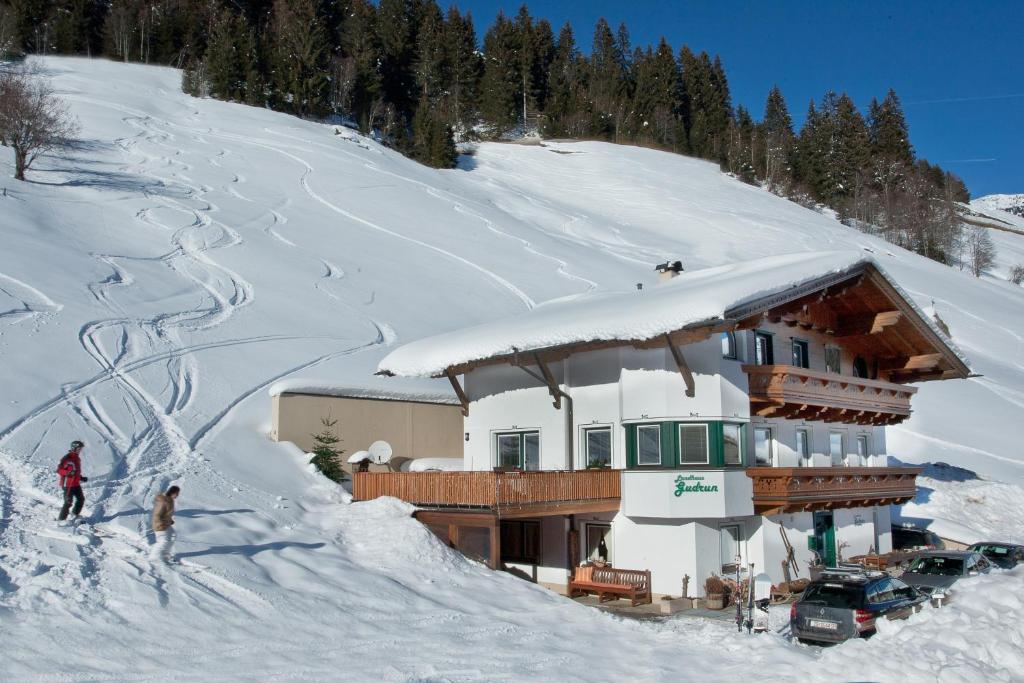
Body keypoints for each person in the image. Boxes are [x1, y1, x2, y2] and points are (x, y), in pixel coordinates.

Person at [57, 440, 88, 523]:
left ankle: (74, 514)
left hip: (75, 484)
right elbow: (59, 470)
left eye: (80, 449)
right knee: (68, 502)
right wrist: (68, 473)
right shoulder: (67, 458)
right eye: (79, 449)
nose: (80, 450)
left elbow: (75, 471)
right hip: (67, 484)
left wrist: (81, 478)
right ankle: (61, 520)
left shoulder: (77, 458)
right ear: (74, 448)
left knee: (81, 499)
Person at [151, 485, 180, 564]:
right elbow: (157, 514)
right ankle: (153, 557)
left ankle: (165, 555)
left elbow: (166, 513)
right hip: (159, 524)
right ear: (172, 492)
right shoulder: (163, 501)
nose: (177, 495)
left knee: (173, 536)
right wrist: (160, 524)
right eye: (177, 493)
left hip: (166, 523)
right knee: (163, 541)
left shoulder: (170, 500)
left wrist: (170, 520)